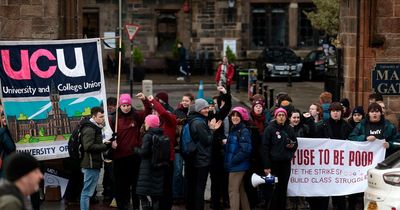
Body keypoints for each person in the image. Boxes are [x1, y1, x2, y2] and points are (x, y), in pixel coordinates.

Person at [110, 93, 152, 210]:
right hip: (119, 158)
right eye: (124, 105)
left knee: (135, 186)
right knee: (120, 187)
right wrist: (111, 142)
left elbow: (148, 112)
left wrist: (145, 100)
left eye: (128, 105)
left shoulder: (136, 116)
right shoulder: (114, 118)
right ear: (120, 105)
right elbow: (107, 135)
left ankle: (136, 207)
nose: (126, 107)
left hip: (134, 157)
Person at [312, 102, 353, 210]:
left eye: (338, 111)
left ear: (341, 112)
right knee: (325, 191)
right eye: (333, 111)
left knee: (340, 191)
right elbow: (315, 141)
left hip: (341, 163)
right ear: (330, 112)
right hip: (326, 163)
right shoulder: (322, 125)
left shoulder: (347, 126)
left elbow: (353, 141)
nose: (335, 113)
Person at [185, 98, 222, 210]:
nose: (207, 110)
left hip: (195, 157)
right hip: (202, 159)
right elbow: (207, 141)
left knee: (195, 186)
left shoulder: (193, 119)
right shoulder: (199, 122)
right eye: (204, 108)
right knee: (200, 187)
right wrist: (212, 129)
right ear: (198, 109)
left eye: (207, 107)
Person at [262, 108, 298, 210]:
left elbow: (295, 144)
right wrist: (267, 166)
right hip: (273, 164)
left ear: (286, 117)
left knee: (283, 189)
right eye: (279, 115)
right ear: (276, 116)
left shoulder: (289, 128)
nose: (281, 117)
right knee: (273, 189)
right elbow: (264, 148)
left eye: (283, 115)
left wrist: (291, 146)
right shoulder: (270, 129)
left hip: (285, 164)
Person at [148, 94, 177, 210]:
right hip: (155, 161)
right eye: (153, 112)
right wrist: (146, 101)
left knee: (166, 188)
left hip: (167, 161)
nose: (154, 114)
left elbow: (164, 113)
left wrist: (154, 102)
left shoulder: (170, 121)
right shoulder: (154, 125)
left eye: (156, 111)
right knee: (156, 188)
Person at [80, 106, 110, 210]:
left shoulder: (95, 127)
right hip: (90, 164)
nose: (103, 118)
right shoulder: (90, 129)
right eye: (101, 116)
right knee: (87, 192)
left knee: (89, 191)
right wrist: (105, 145)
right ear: (94, 116)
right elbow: (88, 146)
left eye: (103, 116)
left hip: (93, 163)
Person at [208, 86, 232, 210]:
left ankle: (223, 201)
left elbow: (227, 107)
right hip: (212, 154)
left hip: (222, 153)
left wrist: (225, 93)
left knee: (223, 179)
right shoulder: (210, 116)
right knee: (215, 181)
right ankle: (215, 203)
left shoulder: (220, 116)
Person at [224, 106, 252, 210]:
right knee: (240, 190)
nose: (234, 118)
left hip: (237, 166)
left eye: (237, 116)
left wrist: (232, 161)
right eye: (233, 115)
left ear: (242, 117)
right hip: (237, 165)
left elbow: (246, 150)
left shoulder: (243, 131)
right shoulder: (235, 129)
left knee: (232, 191)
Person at [135, 115, 164, 210]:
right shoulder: (161, 134)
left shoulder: (148, 135)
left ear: (150, 124)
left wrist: (136, 150)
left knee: (141, 194)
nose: (145, 123)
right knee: (155, 196)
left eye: (146, 122)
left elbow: (144, 152)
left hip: (147, 168)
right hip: (158, 168)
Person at [172, 93, 194, 202]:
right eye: (183, 100)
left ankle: (187, 194)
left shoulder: (193, 113)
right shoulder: (176, 113)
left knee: (189, 172)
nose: (184, 102)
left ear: (191, 102)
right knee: (177, 171)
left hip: (189, 147)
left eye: (187, 101)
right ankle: (176, 195)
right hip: (177, 147)